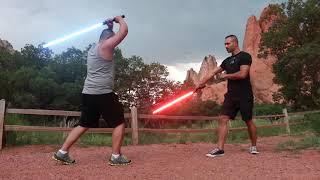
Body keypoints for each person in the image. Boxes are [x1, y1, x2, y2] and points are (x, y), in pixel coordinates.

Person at [52, 15, 131, 166]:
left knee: (84, 124)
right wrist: (119, 19)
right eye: (112, 39)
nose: (114, 44)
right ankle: (116, 156)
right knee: (119, 123)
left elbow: (107, 37)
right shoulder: (106, 46)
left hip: (89, 93)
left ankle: (62, 152)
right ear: (108, 39)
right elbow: (124, 31)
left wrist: (109, 28)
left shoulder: (93, 48)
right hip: (103, 93)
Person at [196, 35, 259, 157]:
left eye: (228, 43)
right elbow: (213, 72)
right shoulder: (227, 61)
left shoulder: (245, 56)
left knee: (248, 120)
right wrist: (201, 83)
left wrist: (226, 76)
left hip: (244, 95)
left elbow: (243, 74)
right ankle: (220, 149)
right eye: (225, 44)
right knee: (223, 118)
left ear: (235, 43)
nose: (226, 46)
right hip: (231, 95)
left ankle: (253, 146)